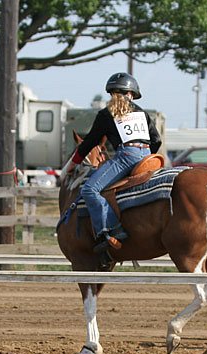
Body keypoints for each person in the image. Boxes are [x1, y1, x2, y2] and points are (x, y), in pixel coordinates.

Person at [64, 72, 162, 255]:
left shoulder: (106, 113)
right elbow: (156, 140)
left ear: (111, 94)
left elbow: (90, 142)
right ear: (131, 94)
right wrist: (145, 158)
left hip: (127, 155)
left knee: (89, 190)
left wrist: (73, 163)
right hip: (148, 156)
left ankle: (111, 230)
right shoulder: (142, 113)